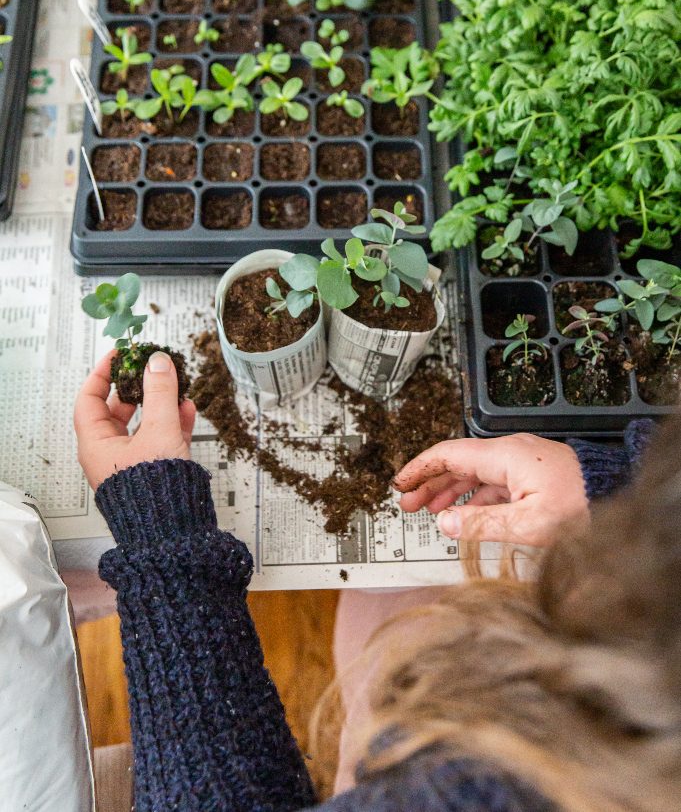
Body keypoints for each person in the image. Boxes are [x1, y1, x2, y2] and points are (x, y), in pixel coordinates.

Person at [73, 348, 681, 812]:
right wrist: (613, 483)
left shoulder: (489, 785)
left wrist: (162, 537)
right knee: (384, 602)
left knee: (379, 681)